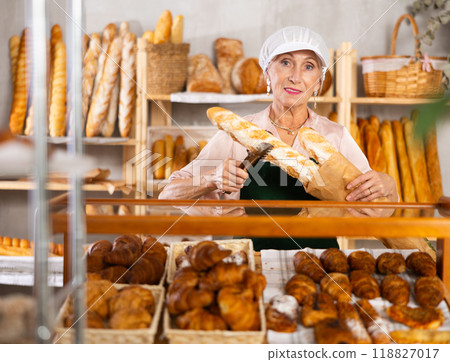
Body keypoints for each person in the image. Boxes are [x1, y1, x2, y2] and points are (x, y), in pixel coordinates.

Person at [159, 26, 398, 250]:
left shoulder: (335, 136)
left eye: (308, 66)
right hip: (253, 265)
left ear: (318, 83)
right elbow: (167, 195)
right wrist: (210, 179)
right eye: (286, 63)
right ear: (267, 73)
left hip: (322, 266)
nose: (296, 76)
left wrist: (388, 184)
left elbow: (380, 210)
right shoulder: (239, 132)